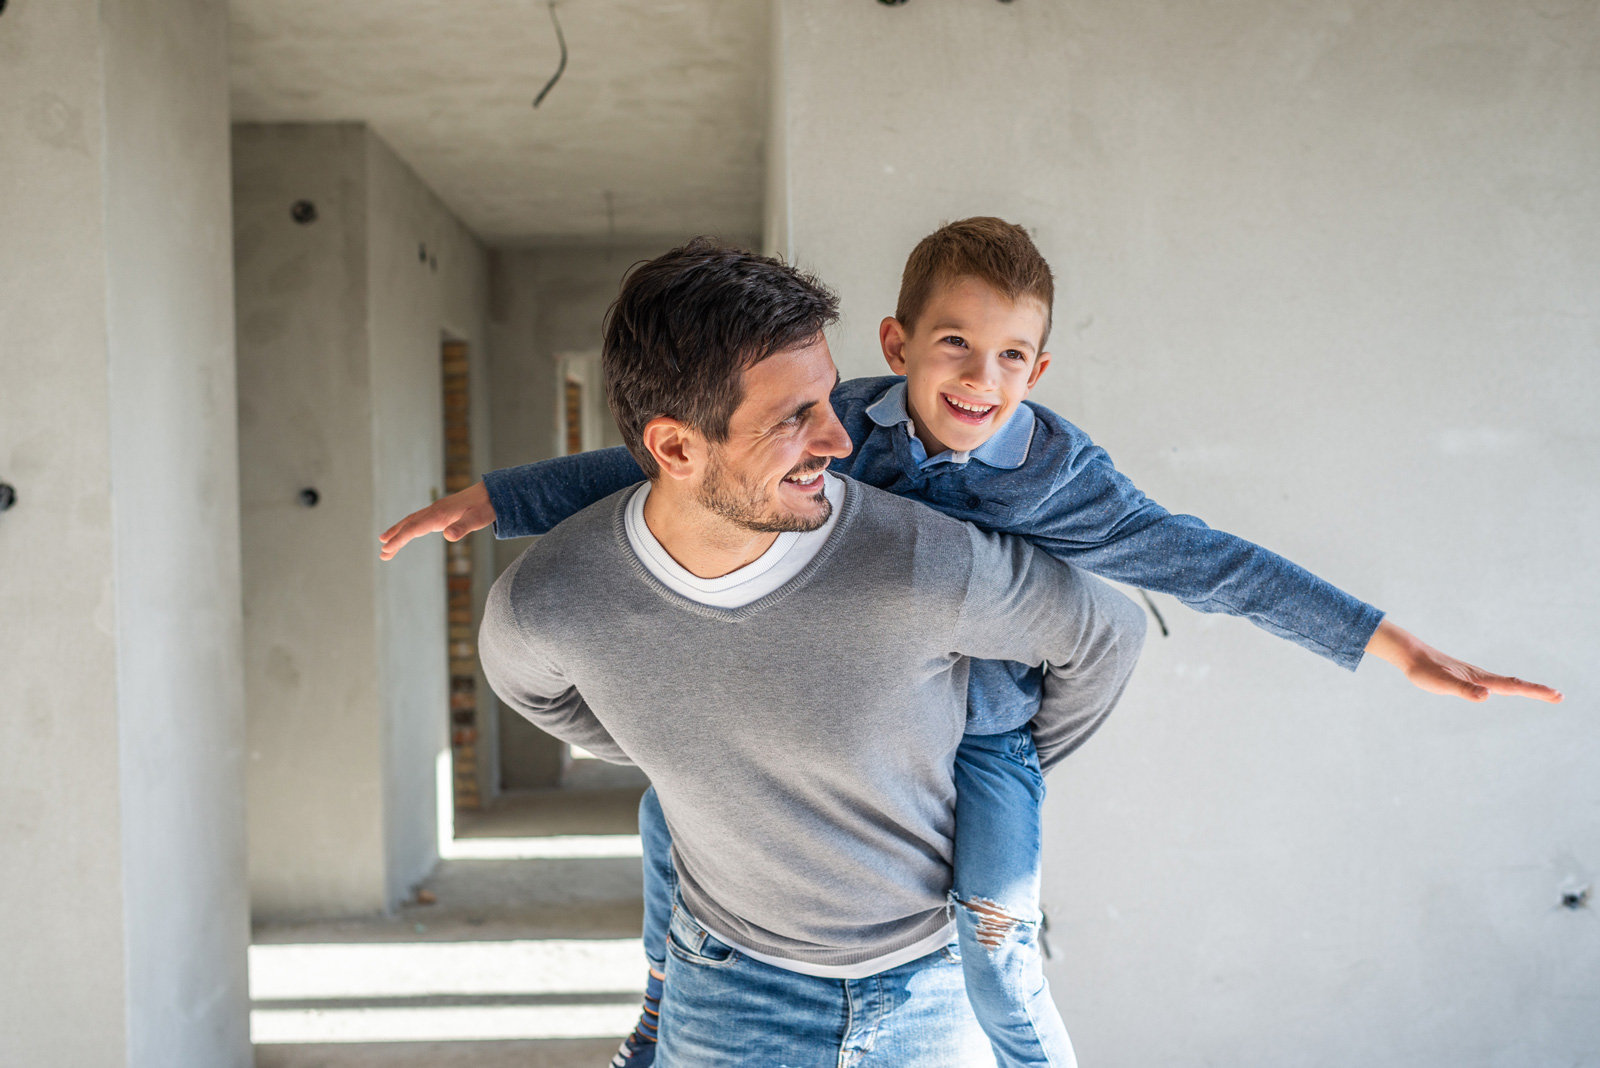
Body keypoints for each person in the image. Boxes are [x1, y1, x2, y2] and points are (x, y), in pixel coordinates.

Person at [384, 219, 1562, 1068]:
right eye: (954, 348)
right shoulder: (837, 417)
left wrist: (1384, 643)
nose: (980, 381)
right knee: (665, 811)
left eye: (1012, 360)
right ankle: (653, 1006)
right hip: (733, 976)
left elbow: (1193, 568)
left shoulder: (1053, 481)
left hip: (984, 738)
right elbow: (635, 464)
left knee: (997, 930)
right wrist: (495, 500)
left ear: (1040, 369)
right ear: (897, 345)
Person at [475, 238, 1148, 1067]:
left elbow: (1104, 632)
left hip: (934, 992)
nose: (840, 440)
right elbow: (535, 690)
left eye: (828, 399)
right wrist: (686, 747)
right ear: (677, 449)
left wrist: (991, 755)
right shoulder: (551, 599)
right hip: (726, 994)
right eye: (794, 417)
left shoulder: (922, 559)